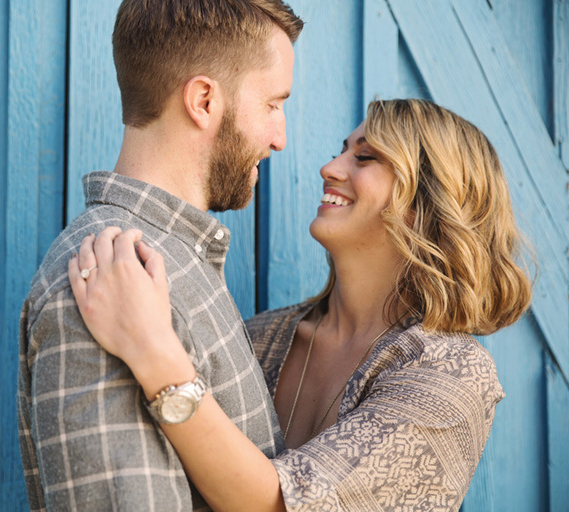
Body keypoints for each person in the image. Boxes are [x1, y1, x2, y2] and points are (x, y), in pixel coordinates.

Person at [68, 99, 533, 511]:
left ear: (427, 204)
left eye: (365, 157)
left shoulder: (451, 373)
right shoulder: (259, 336)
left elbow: (277, 505)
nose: (330, 168)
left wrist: (152, 349)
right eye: (342, 150)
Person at [17, 1, 304, 510]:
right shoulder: (101, 281)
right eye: (273, 105)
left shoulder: (175, 261)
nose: (279, 138)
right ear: (204, 101)